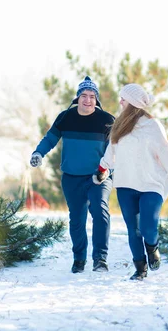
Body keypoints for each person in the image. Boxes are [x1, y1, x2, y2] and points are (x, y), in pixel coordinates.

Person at [93, 83, 168, 281]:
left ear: (132, 102)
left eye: (123, 98)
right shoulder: (119, 126)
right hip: (125, 184)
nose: (120, 101)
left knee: (148, 227)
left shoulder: (152, 126)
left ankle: (152, 247)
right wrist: (102, 169)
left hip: (151, 184)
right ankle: (140, 269)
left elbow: (166, 152)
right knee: (133, 229)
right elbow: (111, 151)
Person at [30, 76, 115, 273]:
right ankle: (79, 259)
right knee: (77, 219)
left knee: (100, 212)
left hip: (99, 176)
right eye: (84, 95)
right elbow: (50, 139)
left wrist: (107, 171)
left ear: (97, 99)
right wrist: (38, 153)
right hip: (72, 177)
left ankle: (100, 259)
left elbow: (116, 149)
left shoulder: (108, 120)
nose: (88, 100)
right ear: (77, 98)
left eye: (92, 96)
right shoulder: (65, 117)